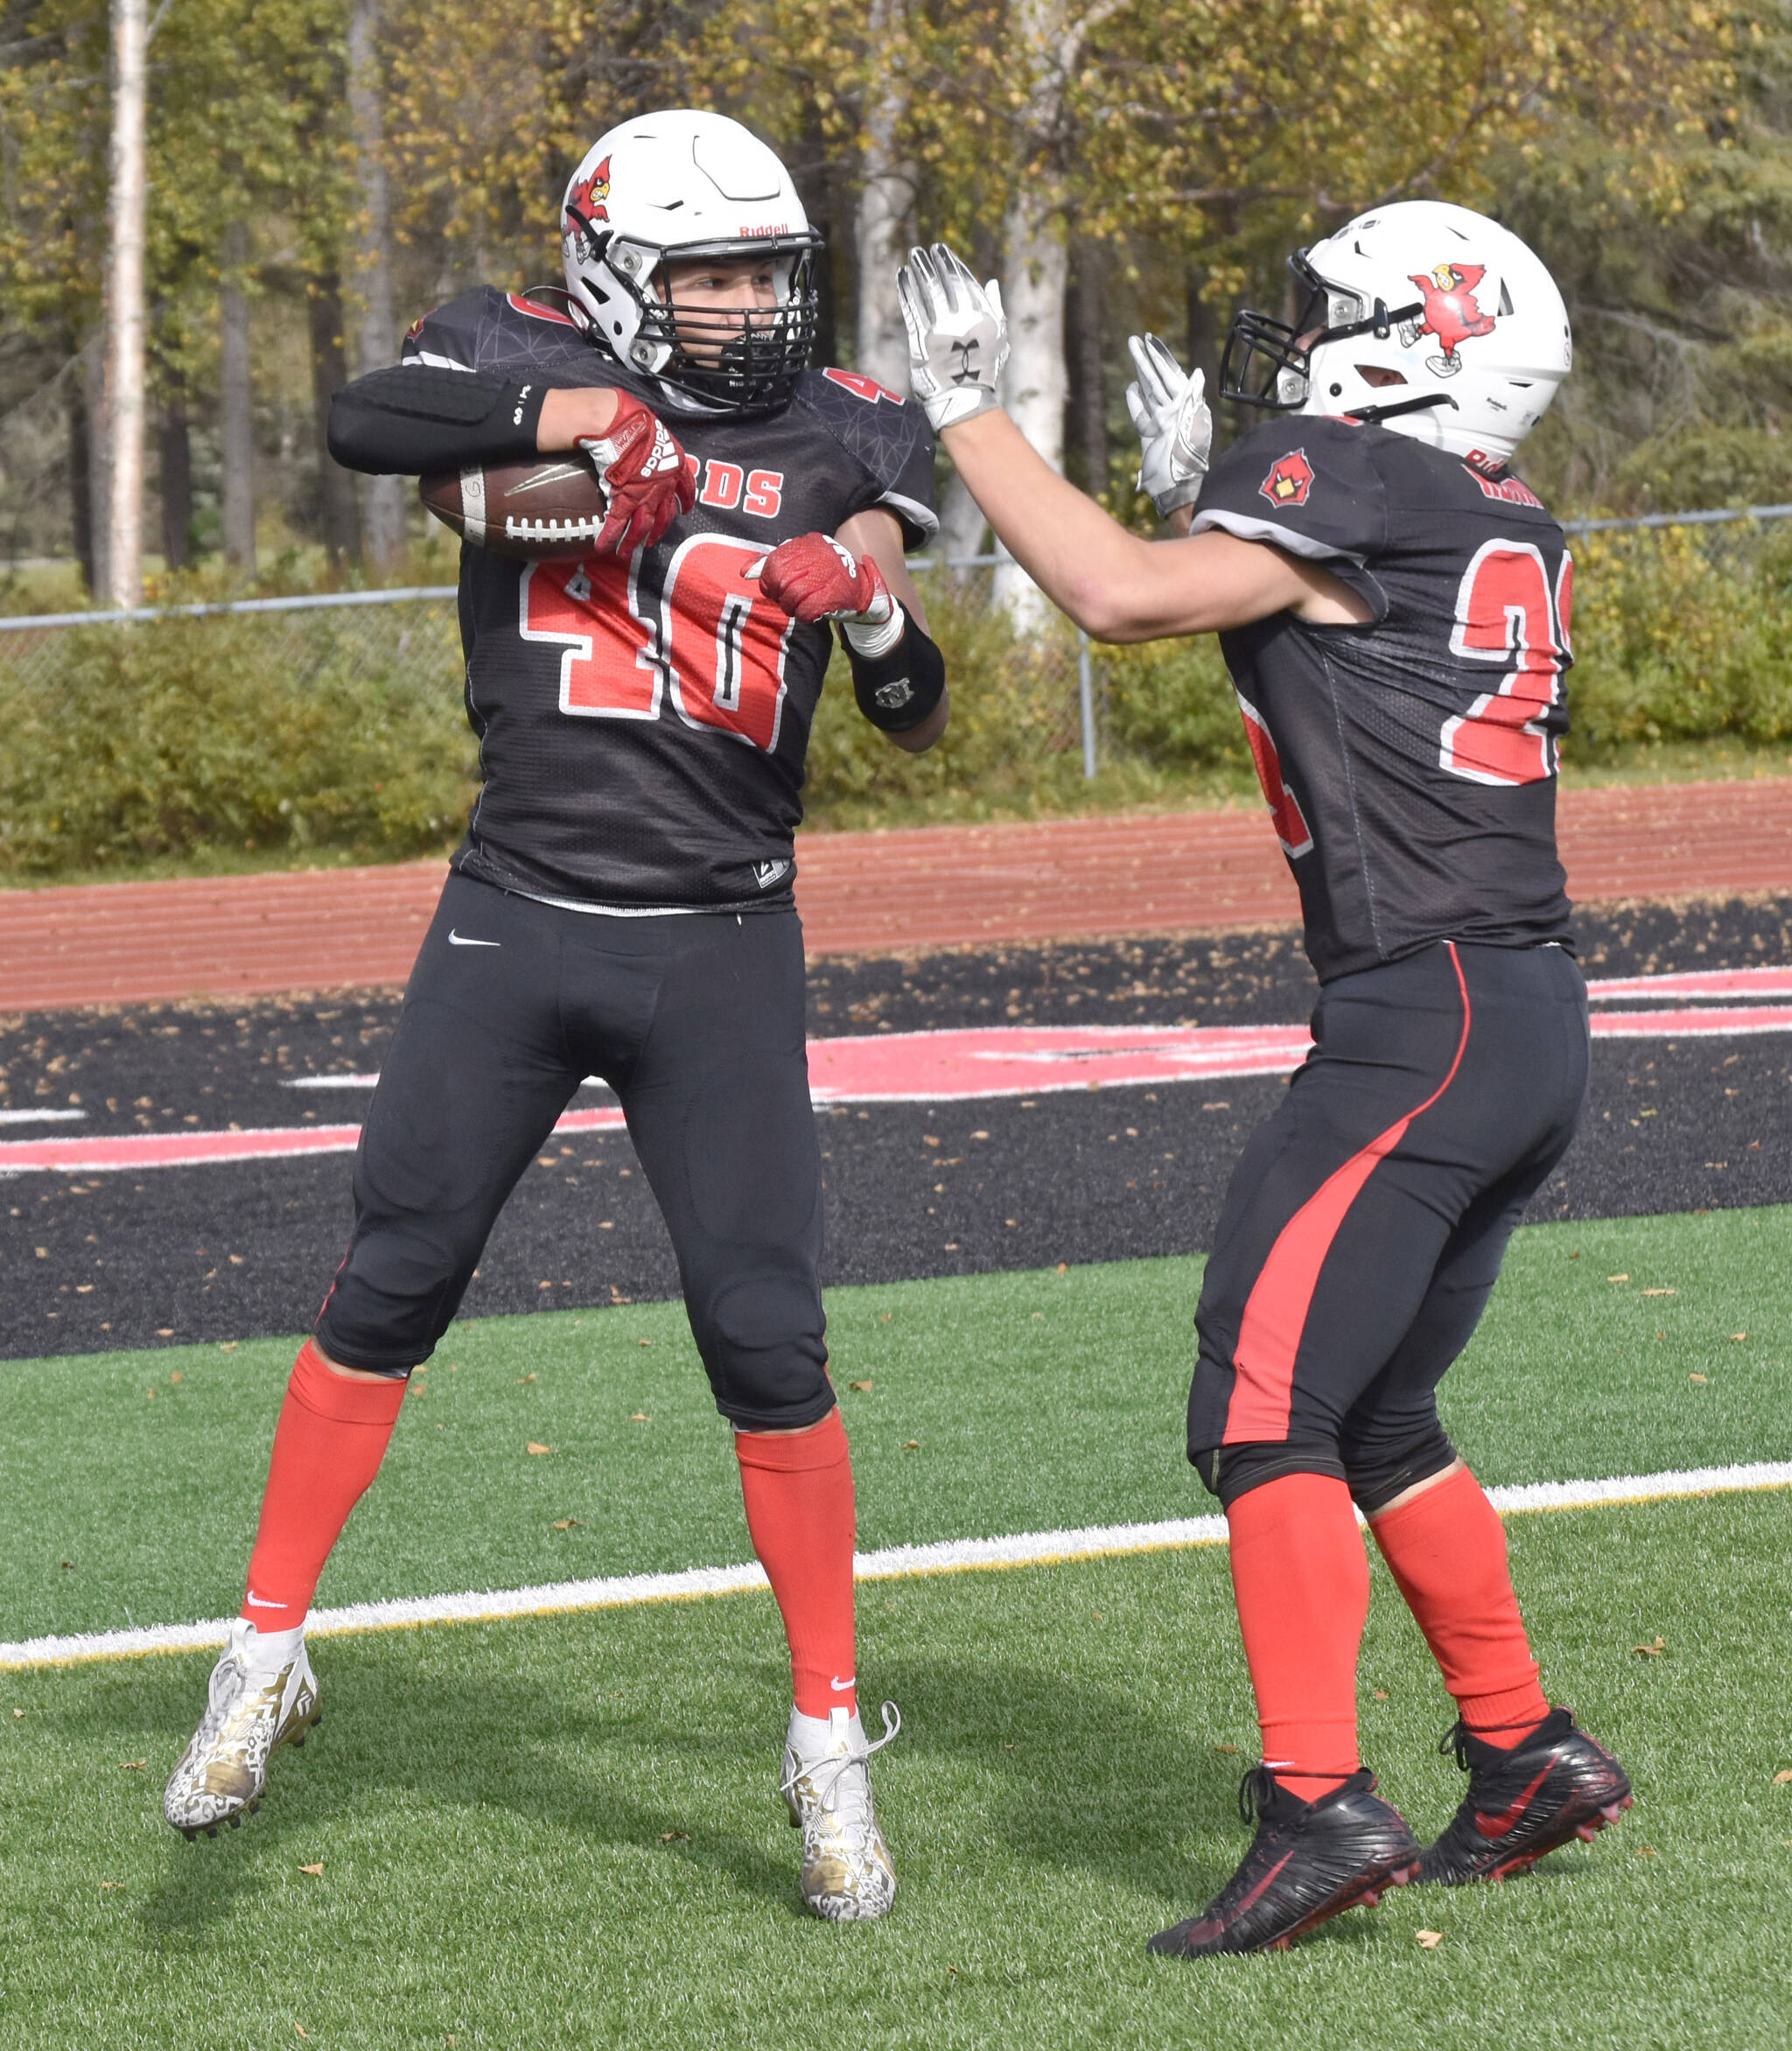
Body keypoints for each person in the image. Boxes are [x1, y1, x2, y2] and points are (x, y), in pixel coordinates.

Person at [163, 108, 949, 1925]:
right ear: (612, 274)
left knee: (768, 1336)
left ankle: (825, 1733)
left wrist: (875, 606)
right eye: (711, 274)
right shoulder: (516, 348)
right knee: (392, 1273)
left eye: (768, 268)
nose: (751, 304)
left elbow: (903, 694)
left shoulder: (842, 419)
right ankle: (264, 1647)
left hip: (722, 943)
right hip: (512, 917)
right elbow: (377, 426)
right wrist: (575, 429)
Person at [897, 202, 1630, 1956]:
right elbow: (1284, 616)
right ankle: (1524, 1748)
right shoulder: (1491, 508)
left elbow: (1112, 594)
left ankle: (1317, 1800)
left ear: (1413, 340)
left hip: (1418, 1014)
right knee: (1374, 1412)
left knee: (1258, 1409)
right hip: (1518, 1011)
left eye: (1332, 311)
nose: (1297, 335)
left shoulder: (1348, 478)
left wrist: (967, 412)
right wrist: (1216, 496)